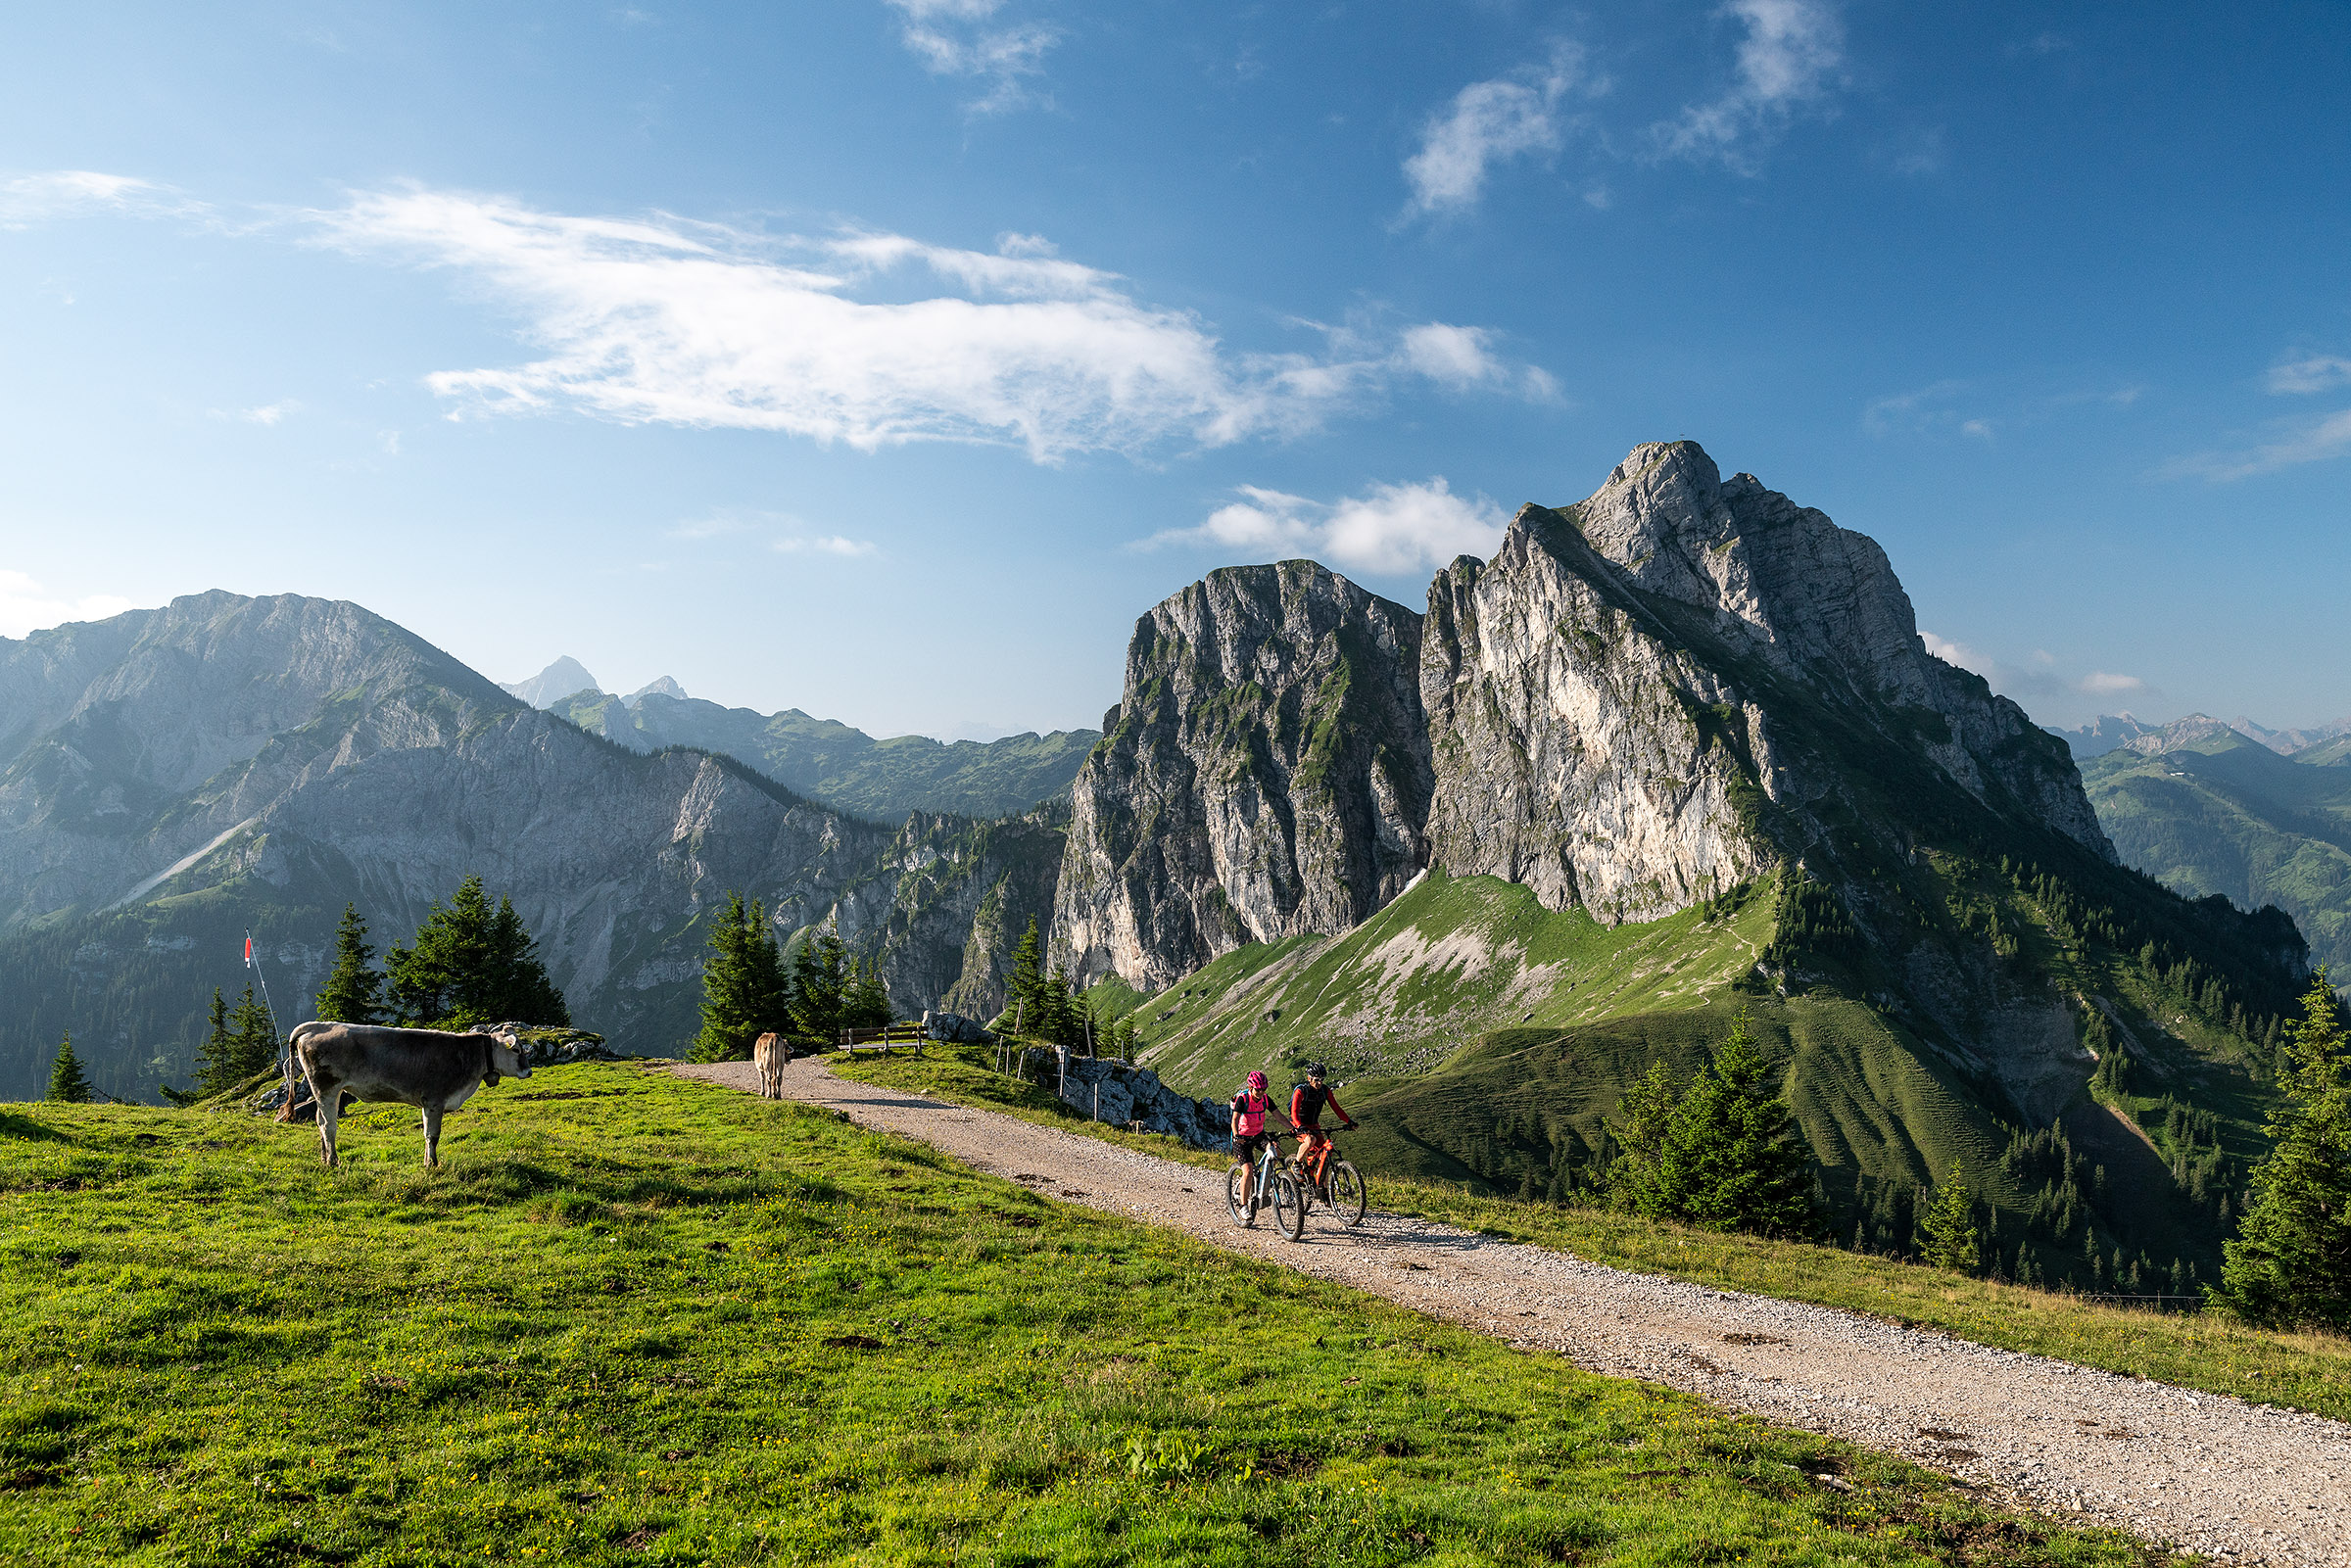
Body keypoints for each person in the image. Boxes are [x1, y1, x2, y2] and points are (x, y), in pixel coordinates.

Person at [1290, 1062, 1355, 1189]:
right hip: (1298, 1124)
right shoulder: (1301, 1091)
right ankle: (1296, 1164)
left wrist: (1349, 1122)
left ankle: (1324, 1192)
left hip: (1314, 1125)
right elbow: (1294, 1112)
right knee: (1310, 1140)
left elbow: (1336, 1108)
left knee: (1324, 1157)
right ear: (1309, 1078)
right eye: (1316, 1080)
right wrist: (1299, 1126)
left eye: (1322, 1080)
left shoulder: (1325, 1091)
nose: (1319, 1083)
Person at [1229, 1070, 1278, 1175]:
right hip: (1242, 1138)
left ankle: (1266, 1179)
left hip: (1258, 1135)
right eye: (1258, 1089)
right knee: (1248, 1171)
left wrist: (1293, 1129)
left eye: (1264, 1089)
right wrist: (1236, 1135)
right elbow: (1235, 1119)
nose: (1261, 1092)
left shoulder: (1265, 1098)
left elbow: (1278, 1116)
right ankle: (1245, 1191)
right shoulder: (1243, 1099)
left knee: (1274, 1150)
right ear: (1251, 1088)